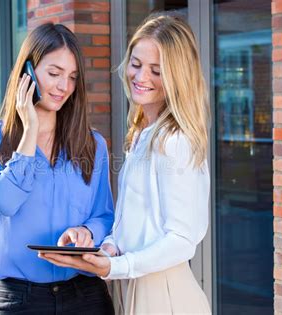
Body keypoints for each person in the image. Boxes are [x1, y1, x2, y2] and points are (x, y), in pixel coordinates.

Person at [40, 13, 212, 314]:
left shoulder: (175, 140)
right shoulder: (144, 133)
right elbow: (133, 221)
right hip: (132, 285)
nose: (141, 77)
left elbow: (183, 239)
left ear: (177, 77)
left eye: (157, 71)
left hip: (163, 293)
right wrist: (109, 248)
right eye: (136, 64)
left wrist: (118, 265)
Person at [0, 23, 114, 314]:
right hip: (21, 299)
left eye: (72, 77)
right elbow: (6, 201)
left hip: (85, 295)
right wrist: (30, 129)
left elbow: (104, 215)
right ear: (28, 73)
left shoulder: (93, 144)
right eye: (54, 73)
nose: (64, 87)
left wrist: (87, 231)